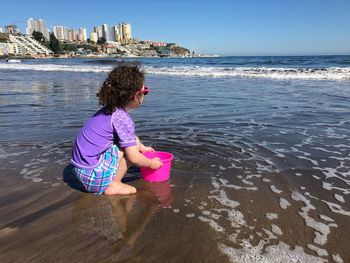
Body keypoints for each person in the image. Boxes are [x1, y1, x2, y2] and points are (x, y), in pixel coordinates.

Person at [71, 62, 163, 195]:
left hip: (79, 171)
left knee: (130, 143)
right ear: (135, 95)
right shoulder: (122, 119)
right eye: (145, 91)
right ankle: (114, 185)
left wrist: (141, 146)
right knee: (130, 152)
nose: (145, 95)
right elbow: (134, 158)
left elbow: (128, 136)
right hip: (93, 178)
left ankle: (109, 179)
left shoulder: (110, 110)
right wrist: (150, 163)